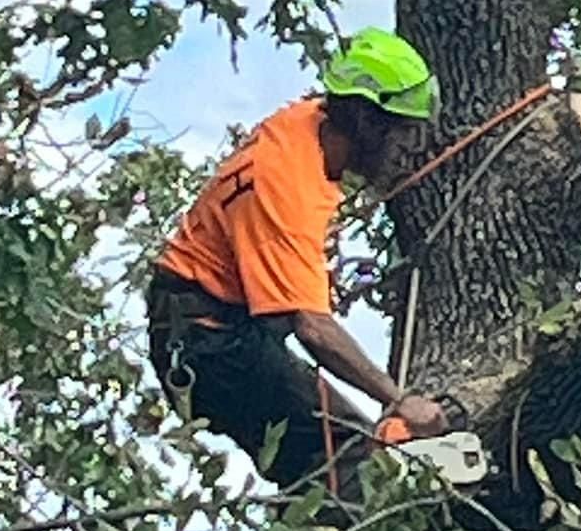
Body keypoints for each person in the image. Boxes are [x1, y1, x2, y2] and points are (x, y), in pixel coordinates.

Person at [146, 28, 448, 488]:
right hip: (207, 346)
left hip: (221, 325)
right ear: (367, 121)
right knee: (342, 457)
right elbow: (313, 328)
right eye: (402, 133)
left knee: (353, 438)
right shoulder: (285, 183)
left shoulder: (307, 124)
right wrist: (400, 400)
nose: (408, 148)